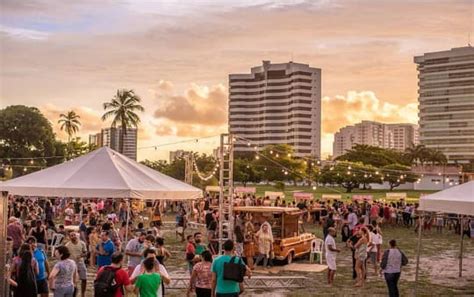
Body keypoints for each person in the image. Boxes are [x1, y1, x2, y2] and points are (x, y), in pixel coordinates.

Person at [65, 232, 88, 297]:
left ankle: (83, 294)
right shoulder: (67, 245)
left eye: (74, 235)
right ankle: (73, 293)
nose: (73, 236)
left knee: (84, 279)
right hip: (71, 265)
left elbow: (85, 252)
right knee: (73, 281)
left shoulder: (82, 243)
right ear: (69, 237)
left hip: (80, 263)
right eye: (71, 235)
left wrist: (82, 255)